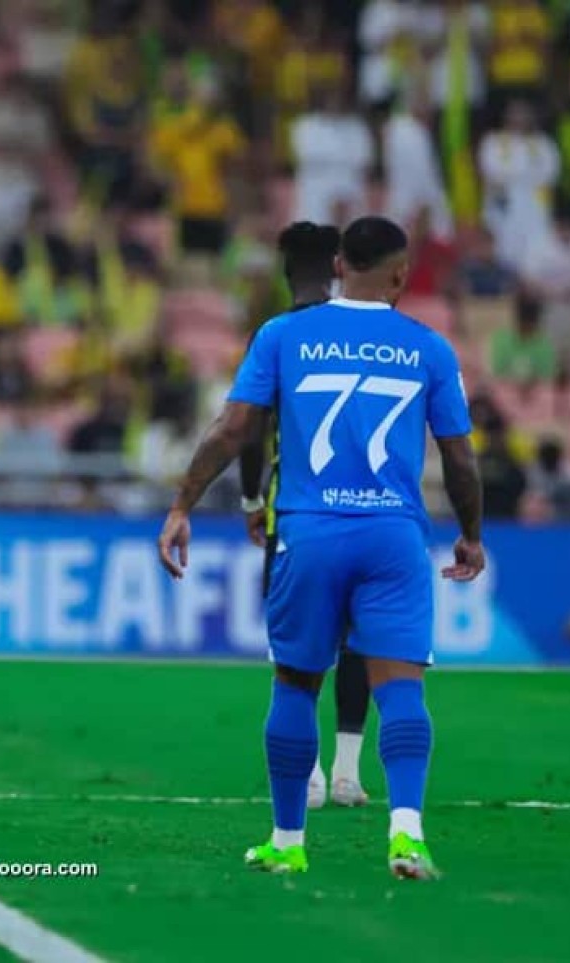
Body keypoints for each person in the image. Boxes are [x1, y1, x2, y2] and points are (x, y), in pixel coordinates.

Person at [159, 216, 484, 879]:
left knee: (296, 683)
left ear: (339, 263)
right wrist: (472, 535)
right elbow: (460, 458)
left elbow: (233, 429)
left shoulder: (283, 334)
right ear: (400, 274)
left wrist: (182, 503)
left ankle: (287, 840)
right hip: (393, 534)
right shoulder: (429, 347)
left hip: (308, 532)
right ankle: (407, 834)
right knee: (401, 688)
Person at [239, 222, 372, 810]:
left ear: (285, 271)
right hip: (369, 512)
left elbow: (249, 428)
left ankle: (310, 774)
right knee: (358, 640)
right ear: (340, 266)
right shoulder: (368, 334)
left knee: (296, 645)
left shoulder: (278, 336)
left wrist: (249, 498)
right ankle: (347, 772)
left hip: (293, 514)